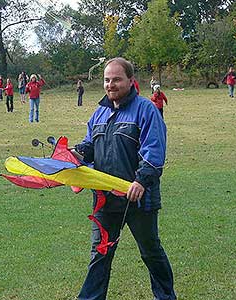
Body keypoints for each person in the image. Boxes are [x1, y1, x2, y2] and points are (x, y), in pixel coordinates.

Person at [75, 57, 176, 300]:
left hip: (139, 199)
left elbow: (154, 151)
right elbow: (89, 146)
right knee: (100, 253)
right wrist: (73, 157)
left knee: (150, 252)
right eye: (107, 80)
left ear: (131, 81)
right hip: (105, 201)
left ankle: (165, 296)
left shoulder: (146, 109)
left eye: (116, 79)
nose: (111, 84)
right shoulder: (98, 113)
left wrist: (141, 181)